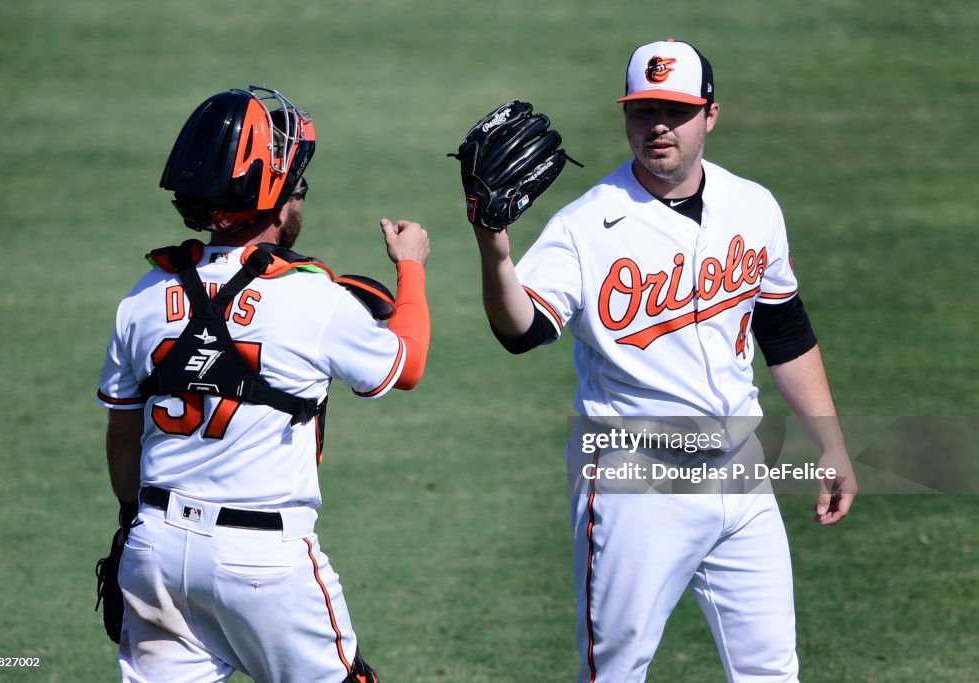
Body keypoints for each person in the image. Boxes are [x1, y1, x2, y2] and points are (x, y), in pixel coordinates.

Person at [468, 40, 857, 681]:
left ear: (710, 115)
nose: (657, 126)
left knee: (773, 671)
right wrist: (494, 250)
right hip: (632, 479)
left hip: (741, 471)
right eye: (643, 109)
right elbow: (522, 329)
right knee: (616, 671)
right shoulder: (585, 225)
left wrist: (832, 444)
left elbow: (784, 331)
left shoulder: (754, 207)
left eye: (675, 111)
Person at [96, 85, 430, 683]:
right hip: (263, 563)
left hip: (154, 550)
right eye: (298, 186)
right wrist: (410, 266)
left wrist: (132, 525)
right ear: (279, 201)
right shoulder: (313, 298)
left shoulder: (142, 298)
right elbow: (405, 366)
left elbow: (123, 437)